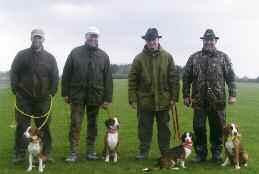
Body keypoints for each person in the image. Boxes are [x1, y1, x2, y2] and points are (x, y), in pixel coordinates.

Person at [182, 29, 237, 163]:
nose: (209, 42)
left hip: (218, 102)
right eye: (206, 40)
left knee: (218, 129)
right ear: (203, 41)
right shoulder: (194, 57)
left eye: (211, 40)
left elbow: (230, 77)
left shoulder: (223, 57)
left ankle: (216, 154)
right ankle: (200, 154)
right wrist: (186, 95)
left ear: (215, 41)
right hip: (199, 101)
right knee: (199, 128)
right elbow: (186, 77)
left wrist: (233, 94)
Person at [62, 26, 113, 162]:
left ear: (98, 38)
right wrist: (65, 93)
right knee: (75, 124)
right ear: (86, 37)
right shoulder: (75, 53)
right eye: (91, 35)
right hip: (77, 96)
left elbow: (108, 79)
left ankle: (90, 151)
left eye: (95, 36)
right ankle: (73, 152)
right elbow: (66, 74)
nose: (93, 38)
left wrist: (107, 98)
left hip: (95, 96)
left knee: (93, 125)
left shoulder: (103, 56)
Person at [128, 28, 179, 160]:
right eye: (149, 40)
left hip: (164, 101)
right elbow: (132, 80)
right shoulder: (138, 59)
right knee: (144, 129)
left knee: (164, 130)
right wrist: (132, 99)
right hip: (145, 102)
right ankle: (143, 152)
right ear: (146, 41)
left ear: (158, 39)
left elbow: (173, 78)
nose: (151, 42)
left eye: (153, 39)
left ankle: (165, 152)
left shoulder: (167, 57)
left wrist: (174, 97)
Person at [10, 29, 59, 163]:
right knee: (22, 127)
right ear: (31, 39)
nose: (37, 40)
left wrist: (52, 92)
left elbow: (55, 76)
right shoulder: (21, 55)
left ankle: (45, 153)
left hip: (43, 99)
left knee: (44, 127)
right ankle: (19, 154)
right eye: (35, 37)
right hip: (24, 98)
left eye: (39, 38)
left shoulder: (50, 58)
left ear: (43, 40)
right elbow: (14, 72)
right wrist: (15, 89)